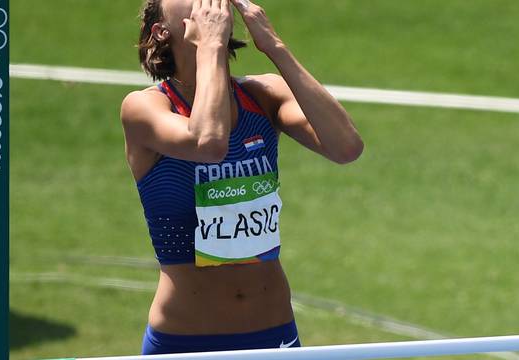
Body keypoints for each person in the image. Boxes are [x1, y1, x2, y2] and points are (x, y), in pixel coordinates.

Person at [120, 0, 364, 355]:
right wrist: (211, 47)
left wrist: (275, 47)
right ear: (162, 31)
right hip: (184, 340)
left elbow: (347, 148)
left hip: (274, 334)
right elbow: (208, 144)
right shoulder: (145, 108)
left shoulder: (262, 95)